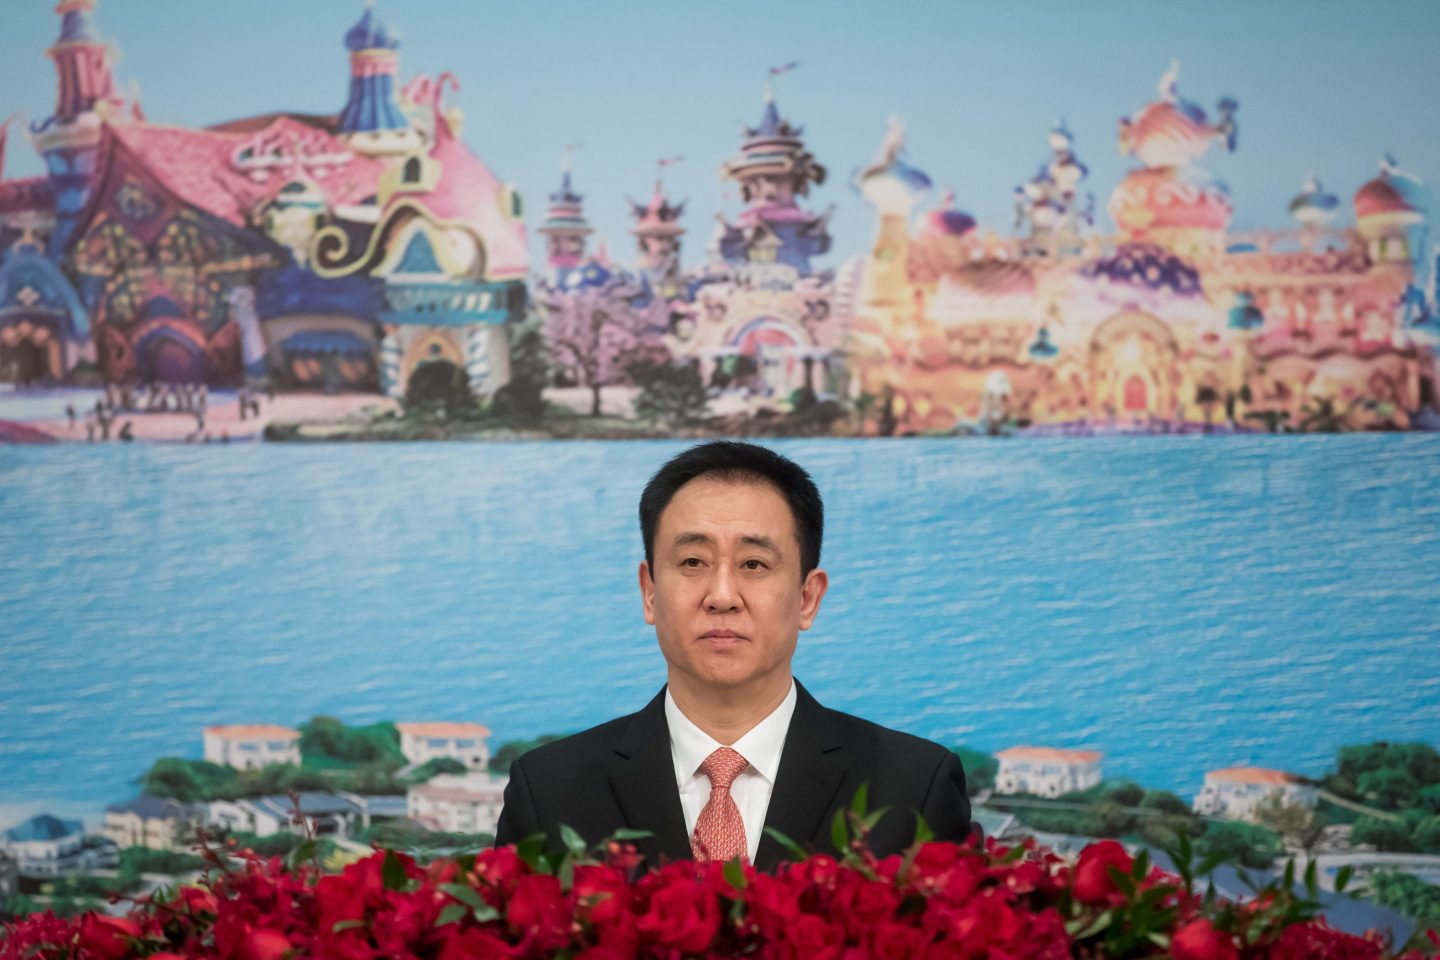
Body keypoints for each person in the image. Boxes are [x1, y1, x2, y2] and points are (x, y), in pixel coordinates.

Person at [493, 441, 971, 871]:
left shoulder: (914, 789)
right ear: (649, 592)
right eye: (693, 562)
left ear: (808, 598)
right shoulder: (548, 791)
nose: (721, 595)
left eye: (754, 565)